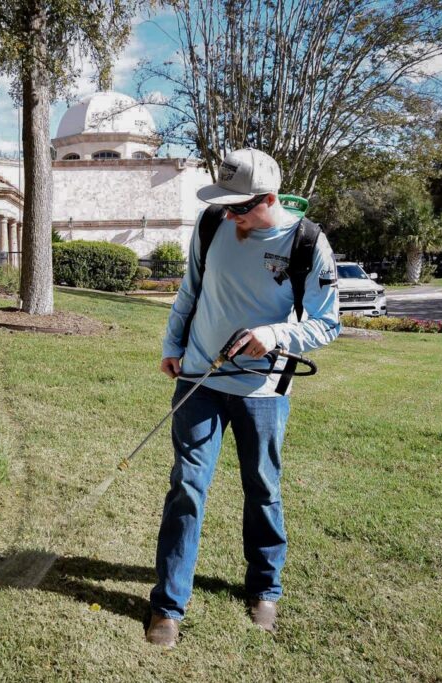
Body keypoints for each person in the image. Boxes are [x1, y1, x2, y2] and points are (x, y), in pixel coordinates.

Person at [145, 148, 341, 648]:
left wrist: (275, 336)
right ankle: (168, 605)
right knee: (187, 486)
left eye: (240, 207)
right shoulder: (211, 224)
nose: (229, 215)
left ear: (270, 199)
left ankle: (264, 588)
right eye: (225, 204)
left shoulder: (307, 242)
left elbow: (327, 323)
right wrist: (173, 346)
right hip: (199, 381)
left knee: (262, 487)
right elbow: (190, 290)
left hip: (263, 389)